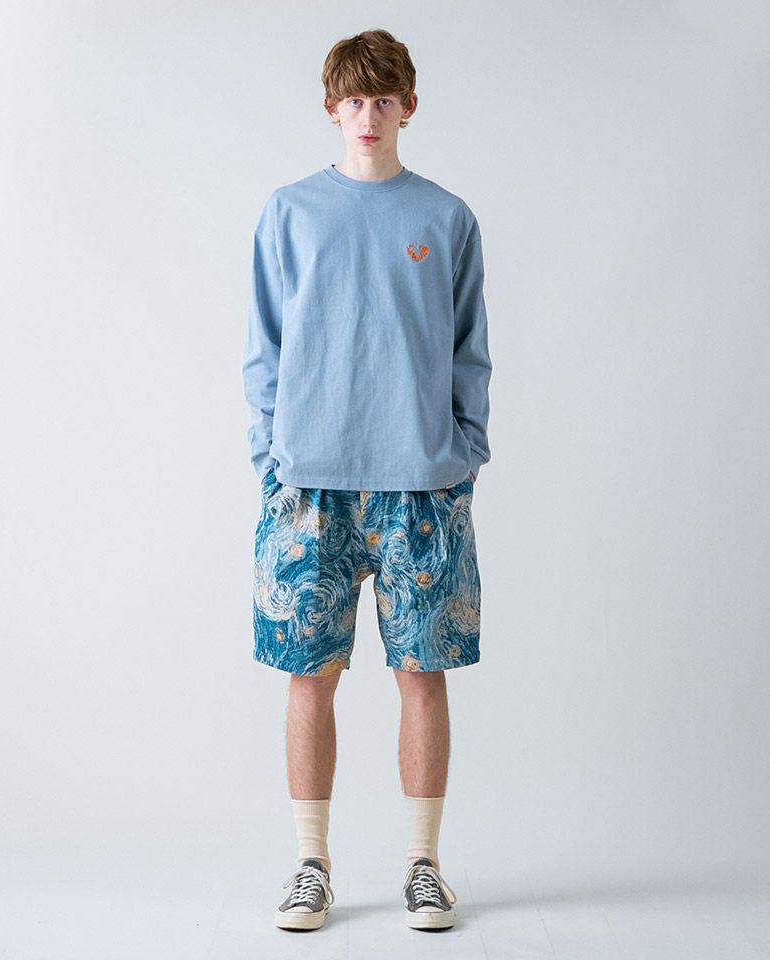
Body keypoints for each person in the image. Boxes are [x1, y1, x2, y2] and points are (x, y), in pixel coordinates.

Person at [241, 28, 492, 932]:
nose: (369, 116)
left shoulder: (446, 218)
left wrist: (462, 454)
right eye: (354, 100)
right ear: (331, 108)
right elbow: (263, 345)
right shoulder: (289, 212)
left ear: (408, 107)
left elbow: (470, 351)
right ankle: (311, 866)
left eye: (384, 100)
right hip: (309, 489)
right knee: (310, 677)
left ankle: (425, 866)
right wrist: (271, 459)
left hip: (421, 486)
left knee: (423, 675)